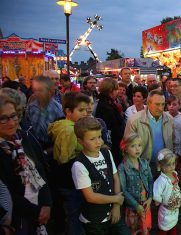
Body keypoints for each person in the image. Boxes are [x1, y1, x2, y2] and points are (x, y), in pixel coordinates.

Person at [0, 95, 52, 235]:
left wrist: (47, 203)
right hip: (16, 217)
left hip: (39, 209)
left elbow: (40, 170)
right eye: (3, 118)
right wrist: (36, 212)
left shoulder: (24, 137)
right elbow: (6, 192)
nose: (11, 122)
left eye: (13, 116)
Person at [71, 117, 128, 235]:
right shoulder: (79, 165)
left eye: (99, 137)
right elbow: (90, 196)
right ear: (80, 141)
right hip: (95, 221)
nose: (98, 142)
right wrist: (116, 199)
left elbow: (115, 177)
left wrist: (116, 206)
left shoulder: (106, 153)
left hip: (114, 212)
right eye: (92, 139)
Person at [48, 91, 90, 235]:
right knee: (74, 215)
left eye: (86, 109)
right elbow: (65, 160)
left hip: (69, 180)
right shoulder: (69, 131)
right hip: (69, 181)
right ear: (68, 111)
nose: (85, 113)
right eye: (81, 110)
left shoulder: (70, 126)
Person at [124, 90, 174, 177]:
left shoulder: (169, 119)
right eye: (157, 104)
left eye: (163, 104)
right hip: (142, 166)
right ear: (148, 103)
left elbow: (173, 140)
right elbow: (127, 146)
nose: (161, 108)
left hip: (164, 165)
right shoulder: (134, 121)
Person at [118, 134, 153, 235]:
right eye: (133, 146)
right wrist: (136, 205)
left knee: (145, 229)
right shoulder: (122, 167)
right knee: (133, 230)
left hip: (146, 204)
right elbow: (123, 190)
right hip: (133, 207)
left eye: (139, 145)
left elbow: (150, 180)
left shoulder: (144, 163)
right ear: (125, 149)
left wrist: (150, 197)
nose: (137, 149)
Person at [24, 76, 64, 149]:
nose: (36, 93)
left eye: (40, 90)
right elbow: (27, 125)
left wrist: (47, 152)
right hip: (34, 145)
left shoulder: (58, 110)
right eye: (35, 90)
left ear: (50, 91)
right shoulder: (32, 106)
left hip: (50, 149)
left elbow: (61, 138)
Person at [95, 78, 125, 166]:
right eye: (116, 89)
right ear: (110, 90)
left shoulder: (109, 102)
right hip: (112, 144)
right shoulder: (106, 106)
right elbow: (111, 127)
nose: (118, 92)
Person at [153, 149, 181, 235]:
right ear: (161, 166)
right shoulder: (161, 180)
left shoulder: (174, 174)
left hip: (175, 210)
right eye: (168, 165)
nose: (172, 167)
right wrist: (160, 201)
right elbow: (156, 194)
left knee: (173, 227)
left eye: (173, 164)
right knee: (163, 230)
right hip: (166, 211)